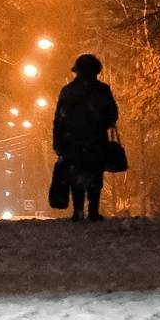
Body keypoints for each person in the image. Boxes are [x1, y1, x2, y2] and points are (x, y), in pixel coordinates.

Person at [52, 53, 119, 221]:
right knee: (95, 173)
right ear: (96, 71)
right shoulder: (102, 90)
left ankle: (78, 211)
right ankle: (93, 211)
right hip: (96, 139)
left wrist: (58, 142)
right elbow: (112, 114)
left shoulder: (68, 91)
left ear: (77, 71)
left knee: (76, 174)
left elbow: (59, 119)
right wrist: (101, 123)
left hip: (72, 141)